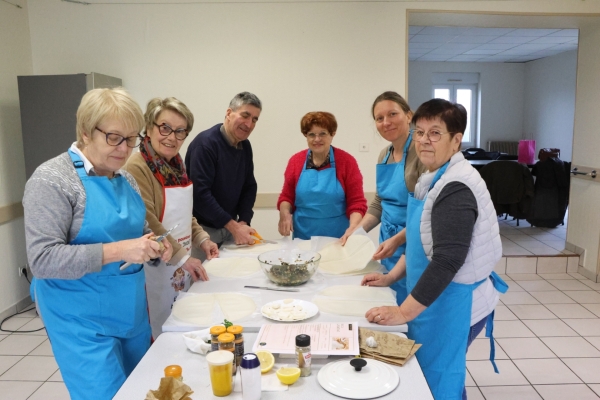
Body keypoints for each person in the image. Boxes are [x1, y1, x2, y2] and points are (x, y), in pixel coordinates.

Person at [22, 88, 173, 400]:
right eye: (114, 137)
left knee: (140, 391)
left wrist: (157, 246)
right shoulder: (51, 180)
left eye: (132, 139)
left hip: (129, 314)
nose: (125, 149)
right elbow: (43, 259)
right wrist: (119, 250)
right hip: (79, 320)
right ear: (85, 132)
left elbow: (141, 231)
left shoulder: (124, 178)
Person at [362, 99, 508, 400]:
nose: (424, 140)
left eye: (435, 133)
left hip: (457, 303)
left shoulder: (457, 186)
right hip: (438, 298)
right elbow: (423, 240)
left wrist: (403, 312)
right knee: (429, 376)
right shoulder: (433, 177)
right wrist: (391, 277)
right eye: (420, 132)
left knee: (441, 381)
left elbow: (445, 261)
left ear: (456, 140)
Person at [124, 97, 219, 339]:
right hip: (155, 265)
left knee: (180, 324)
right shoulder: (137, 167)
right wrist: (182, 257)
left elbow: (186, 214)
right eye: (164, 128)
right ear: (149, 127)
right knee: (159, 329)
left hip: (180, 261)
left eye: (180, 131)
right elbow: (149, 221)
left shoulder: (176, 164)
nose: (172, 137)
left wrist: (203, 239)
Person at [341, 92, 426, 304]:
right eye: (379, 118)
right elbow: (380, 202)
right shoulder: (384, 154)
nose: (386, 122)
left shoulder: (421, 152)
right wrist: (357, 230)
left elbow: (426, 212)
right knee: (389, 299)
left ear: (409, 115)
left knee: (410, 306)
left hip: (414, 242)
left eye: (392, 114)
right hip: (387, 243)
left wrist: (398, 240)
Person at [185, 92, 260, 247]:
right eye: (245, 115)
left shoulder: (245, 146)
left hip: (230, 227)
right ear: (228, 113)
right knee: (204, 271)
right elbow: (200, 195)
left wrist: (243, 222)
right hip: (203, 232)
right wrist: (234, 226)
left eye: (254, 119)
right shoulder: (205, 145)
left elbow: (249, 186)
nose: (249, 124)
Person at [277, 111, 367, 239]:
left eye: (322, 134)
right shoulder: (295, 162)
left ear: (332, 134)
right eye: (311, 134)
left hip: (339, 238)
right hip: (303, 238)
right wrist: (284, 214)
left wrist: (353, 228)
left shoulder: (347, 162)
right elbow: (287, 196)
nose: (317, 139)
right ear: (306, 136)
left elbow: (356, 203)